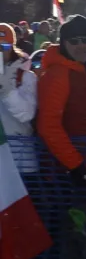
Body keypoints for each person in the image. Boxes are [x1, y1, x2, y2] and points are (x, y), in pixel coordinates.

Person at [36, 15, 86, 186]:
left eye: (85, 40)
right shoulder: (58, 74)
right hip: (64, 170)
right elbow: (48, 125)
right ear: (63, 43)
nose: (81, 46)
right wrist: (75, 164)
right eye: (74, 41)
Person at [0, 23, 38, 172]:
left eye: (5, 47)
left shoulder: (26, 77)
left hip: (20, 162)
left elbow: (27, 114)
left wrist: (7, 90)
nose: (0, 52)